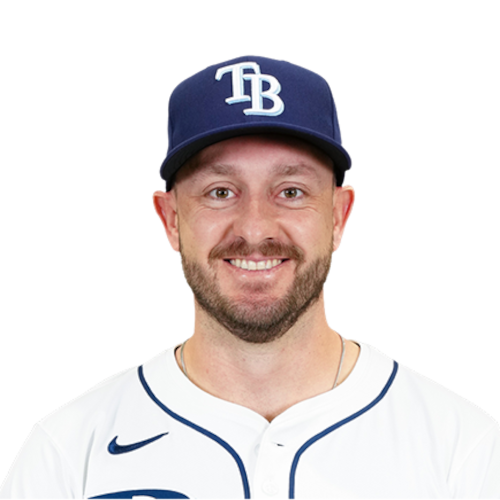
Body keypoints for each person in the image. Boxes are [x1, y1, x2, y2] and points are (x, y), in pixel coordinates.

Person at [1, 55, 499, 500]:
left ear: (339, 216)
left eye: (291, 191)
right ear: (170, 219)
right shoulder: (68, 453)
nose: (256, 229)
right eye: (220, 192)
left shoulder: (463, 448)